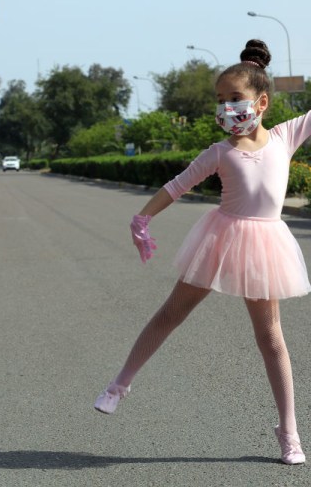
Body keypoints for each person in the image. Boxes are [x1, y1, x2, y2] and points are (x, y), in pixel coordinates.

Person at [94, 39, 311, 465]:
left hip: (265, 247)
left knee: (271, 338)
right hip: (219, 241)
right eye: (219, 100)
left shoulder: (285, 137)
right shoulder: (219, 152)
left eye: (235, 98)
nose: (226, 107)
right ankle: (119, 385)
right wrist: (142, 218)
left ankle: (289, 432)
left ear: (262, 102)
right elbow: (176, 186)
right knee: (171, 314)